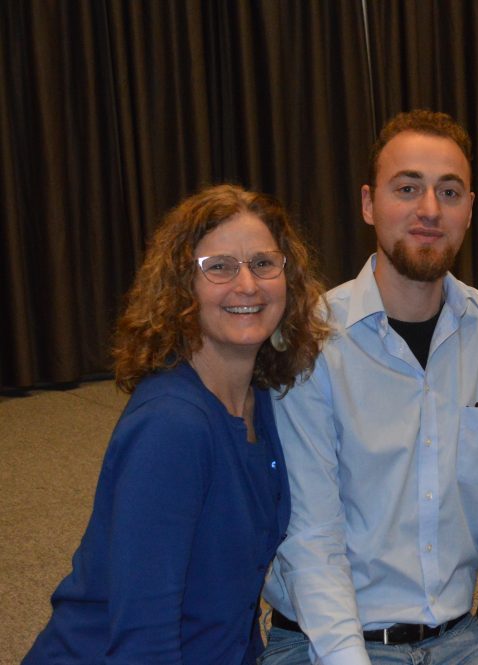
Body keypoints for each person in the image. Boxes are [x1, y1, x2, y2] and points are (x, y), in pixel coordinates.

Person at [259, 110, 478, 665]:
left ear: (470, 209)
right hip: (323, 643)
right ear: (370, 204)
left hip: (455, 640)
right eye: (408, 188)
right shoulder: (311, 339)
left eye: (449, 191)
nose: (429, 209)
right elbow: (311, 538)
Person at [22, 184, 330, 664]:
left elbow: (236, 604)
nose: (247, 284)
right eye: (220, 267)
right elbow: (144, 642)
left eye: (264, 264)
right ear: (182, 285)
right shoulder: (171, 428)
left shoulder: (260, 399)